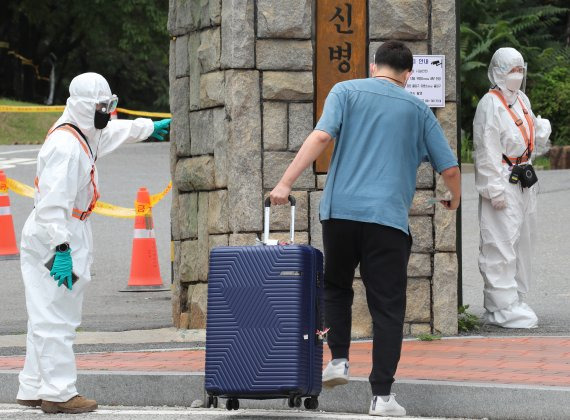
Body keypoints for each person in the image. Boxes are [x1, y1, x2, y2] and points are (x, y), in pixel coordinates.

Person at [270, 41, 460, 417]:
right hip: (387, 222)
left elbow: (321, 137)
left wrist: (285, 184)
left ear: (374, 67)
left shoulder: (345, 91)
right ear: (407, 76)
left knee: (337, 287)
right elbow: (450, 169)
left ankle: (338, 358)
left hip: (339, 214)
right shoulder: (419, 110)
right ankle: (381, 397)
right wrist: (454, 198)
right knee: (387, 307)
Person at [16, 72, 171, 414]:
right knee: (56, 315)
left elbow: (110, 133)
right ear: (86, 106)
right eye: (102, 106)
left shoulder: (81, 131)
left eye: (110, 104)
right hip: (55, 234)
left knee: (46, 311)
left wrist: (148, 128)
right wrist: (61, 250)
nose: (108, 112)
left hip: (65, 229)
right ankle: (58, 393)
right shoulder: (66, 148)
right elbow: (53, 206)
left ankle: (32, 386)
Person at [473, 48, 551, 329]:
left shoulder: (521, 100)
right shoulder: (489, 104)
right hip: (503, 180)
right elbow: (485, 148)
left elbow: (530, 135)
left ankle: (514, 297)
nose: (516, 75)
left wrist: (541, 130)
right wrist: (492, 189)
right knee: (499, 241)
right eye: (511, 70)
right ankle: (500, 304)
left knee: (521, 241)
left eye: (520, 69)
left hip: (523, 177)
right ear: (497, 72)